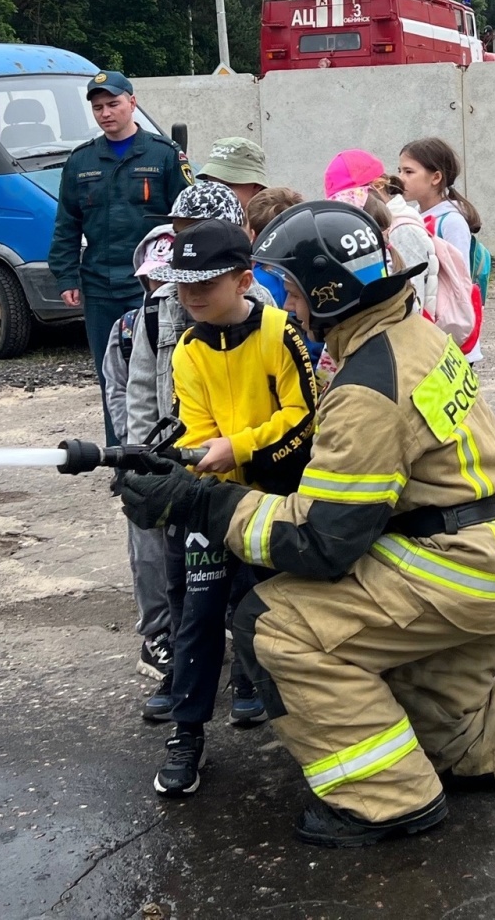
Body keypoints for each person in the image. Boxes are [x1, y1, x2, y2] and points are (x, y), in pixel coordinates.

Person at [115, 201, 495, 847]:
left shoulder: (367, 387)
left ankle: (386, 801)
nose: (286, 306)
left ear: (327, 292)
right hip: (480, 558)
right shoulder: (411, 333)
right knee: (437, 735)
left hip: (443, 567)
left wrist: (197, 502)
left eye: (291, 290)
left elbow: (320, 541)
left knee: (271, 623)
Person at [153, 220, 319, 797]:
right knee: (197, 617)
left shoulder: (282, 332)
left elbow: (304, 416)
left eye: (206, 282)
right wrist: (188, 468)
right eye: (182, 284)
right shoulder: (188, 349)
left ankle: (300, 724)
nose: (192, 295)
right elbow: (196, 430)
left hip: (276, 498)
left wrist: (240, 448)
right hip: (214, 503)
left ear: (245, 279)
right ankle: (186, 732)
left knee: (275, 608)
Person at [49, 70, 193, 441]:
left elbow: (188, 219)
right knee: (111, 375)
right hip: (99, 286)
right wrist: (66, 276)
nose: (105, 113)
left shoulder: (164, 156)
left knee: (161, 370)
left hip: (153, 286)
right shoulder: (81, 162)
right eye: (98, 107)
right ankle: (122, 459)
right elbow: (67, 223)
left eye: (113, 104)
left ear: (132, 102)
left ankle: (164, 452)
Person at [104, 225, 178, 696]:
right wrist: (134, 456)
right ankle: (156, 635)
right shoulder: (130, 328)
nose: (163, 289)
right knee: (148, 551)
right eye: (155, 280)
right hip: (146, 455)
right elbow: (117, 392)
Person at [397, 136, 484, 359]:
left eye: (409, 172)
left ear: (436, 177)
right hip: (427, 328)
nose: (400, 179)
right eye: (400, 171)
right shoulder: (414, 216)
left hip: (449, 333)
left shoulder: (451, 221)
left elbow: (459, 279)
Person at [199, 136, 268, 211]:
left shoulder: (274, 220)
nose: (215, 192)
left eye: (226, 186)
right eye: (209, 184)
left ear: (257, 186)